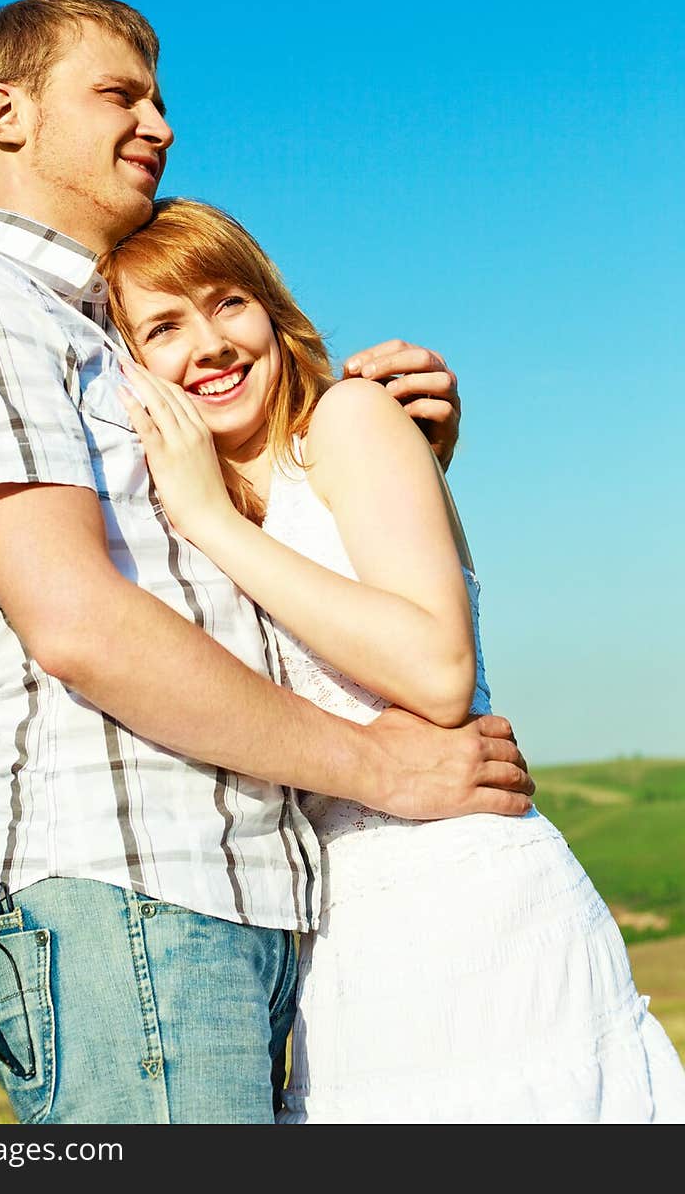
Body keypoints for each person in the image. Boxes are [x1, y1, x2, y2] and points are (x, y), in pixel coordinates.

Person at [0, 0, 534, 1126]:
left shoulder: (106, 331)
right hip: (133, 890)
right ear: (6, 114)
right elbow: (78, 620)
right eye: (120, 94)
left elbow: (247, 571)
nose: (160, 124)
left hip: (250, 900)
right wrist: (383, 769)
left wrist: (377, 455)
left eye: (161, 99)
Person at [102, 195, 685, 1125]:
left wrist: (209, 518)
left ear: (273, 312)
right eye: (163, 327)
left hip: (474, 906)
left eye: (227, 303)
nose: (207, 345)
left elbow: (437, 670)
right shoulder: (189, 512)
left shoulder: (348, 421)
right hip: (337, 947)